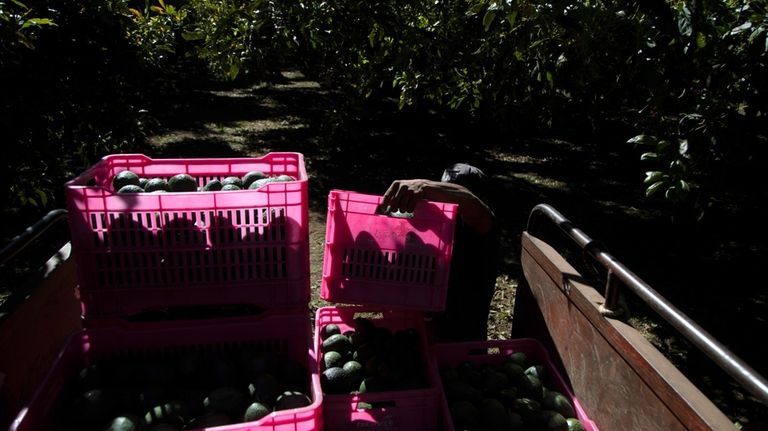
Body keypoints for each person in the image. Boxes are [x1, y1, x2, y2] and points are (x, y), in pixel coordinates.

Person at [382, 163, 499, 341]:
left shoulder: (483, 229)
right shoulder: (437, 229)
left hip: (462, 345)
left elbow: (474, 207)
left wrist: (425, 186)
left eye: (449, 194)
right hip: (422, 337)